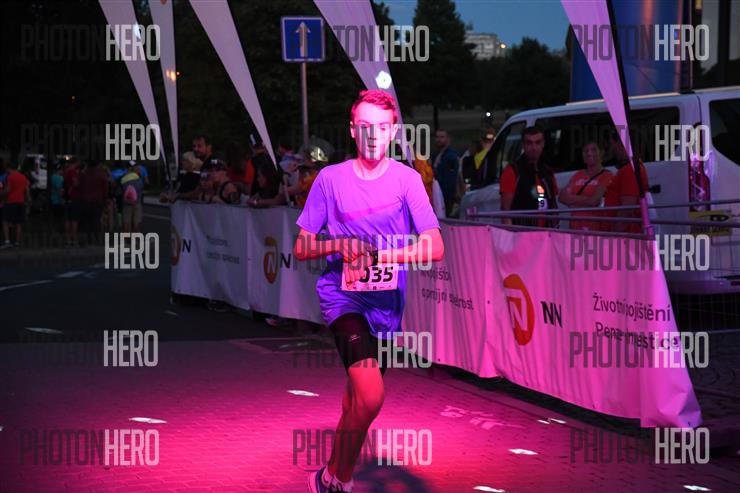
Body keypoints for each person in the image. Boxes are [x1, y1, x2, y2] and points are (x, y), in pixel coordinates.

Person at [293, 89, 444, 493]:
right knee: (371, 394)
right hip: (343, 298)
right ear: (352, 130)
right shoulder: (330, 179)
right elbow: (302, 246)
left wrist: (382, 256)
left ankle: (330, 476)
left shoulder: (407, 180)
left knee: (356, 400)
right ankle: (339, 478)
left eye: (380, 127)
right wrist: (337, 244)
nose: (372, 135)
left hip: (386, 307)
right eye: (364, 127)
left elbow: (435, 246)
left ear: (393, 132)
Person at [500, 125, 559, 227]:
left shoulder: (548, 172)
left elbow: (553, 204)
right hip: (522, 232)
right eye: (529, 143)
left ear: (543, 144)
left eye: (538, 142)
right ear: (523, 145)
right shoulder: (512, 171)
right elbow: (506, 211)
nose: (534, 148)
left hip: (547, 232)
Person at [558, 140, 614, 231]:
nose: (589, 153)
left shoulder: (607, 175)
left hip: (596, 229)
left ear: (601, 153)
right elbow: (562, 197)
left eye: (593, 150)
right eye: (586, 151)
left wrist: (573, 203)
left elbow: (594, 201)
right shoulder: (578, 175)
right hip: (575, 228)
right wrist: (587, 200)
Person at [603, 132, 650, 233]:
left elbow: (627, 209)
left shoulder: (629, 169)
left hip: (626, 234)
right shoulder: (631, 167)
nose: (612, 149)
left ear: (620, 144)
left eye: (612, 144)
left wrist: (615, 234)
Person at [0, 159, 31, 248]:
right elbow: (27, 191)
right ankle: (17, 242)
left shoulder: (10, 177)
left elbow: (8, 190)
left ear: (8, 168)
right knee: (18, 223)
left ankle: (7, 241)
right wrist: (28, 200)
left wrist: (1, 194)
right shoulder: (23, 177)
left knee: (5, 221)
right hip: (21, 202)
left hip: (11, 202)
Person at [78, 159, 110, 244]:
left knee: (86, 219)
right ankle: (96, 238)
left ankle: (88, 238)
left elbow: (80, 187)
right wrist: (105, 200)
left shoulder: (83, 174)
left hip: (85, 200)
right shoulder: (101, 174)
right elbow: (105, 188)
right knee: (96, 219)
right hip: (98, 200)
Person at [430, 129, 459, 216]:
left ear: (448, 139)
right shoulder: (435, 155)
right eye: (437, 137)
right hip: (437, 194)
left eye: (442, 137)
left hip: (446, 196)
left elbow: (451, 180)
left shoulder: (451, 156)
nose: (439, 139)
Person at [63, 157, 82, 247]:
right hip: (74, 198)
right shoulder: (73, 171)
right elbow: (75, 183)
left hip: (67, 198)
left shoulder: (66, 171)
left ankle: (68, 240)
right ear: (76, 162)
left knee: (68, 220)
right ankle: (74, 240)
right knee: (74, 220)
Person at [120, 163, 144, 233]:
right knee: (136, 223)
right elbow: (141, 188)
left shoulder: (123, 178)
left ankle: (127, 237)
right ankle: (135, 236)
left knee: (126, 223)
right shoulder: (139, 179)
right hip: (137, 203)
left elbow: (121, 190)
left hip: (126, 203)